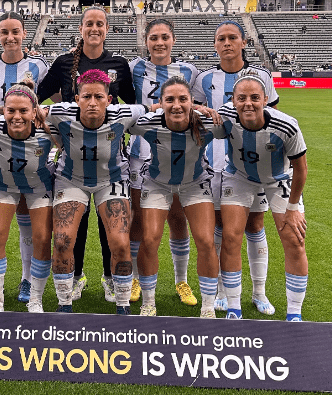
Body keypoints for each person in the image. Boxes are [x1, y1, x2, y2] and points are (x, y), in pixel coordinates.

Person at [37, 6, 136, 304]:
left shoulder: (118, 63)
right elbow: (40, 95)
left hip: (108, 155)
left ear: (107, 29)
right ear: (80, 28)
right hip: (73, 156)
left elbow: (132, 102)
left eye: (100, 24)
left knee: (113, 227)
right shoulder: (65, 62)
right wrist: (55, 117)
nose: (94, 28)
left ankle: (110, 279)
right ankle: (76, 276)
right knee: (72, 228)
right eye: (89, 23)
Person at [194, 21, 280, 317]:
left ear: (244, 42)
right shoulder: (204, 79)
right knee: (221, 227)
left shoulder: (262, 76)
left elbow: (273, 119)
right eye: (221, 39)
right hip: (213, 163)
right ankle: (221, 289)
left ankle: (259, 292)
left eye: (233, 38)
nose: (227, 43)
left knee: (255, 225)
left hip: (253, 165)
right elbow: (195, 116)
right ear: (215, 45)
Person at [45, 69, 147, 315]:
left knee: (121, 243)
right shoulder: (60, 113)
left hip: (110, 179)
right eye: (86, 96)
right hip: (71, 180)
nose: (92, 102)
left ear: (109, 99)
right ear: (76, 98)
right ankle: (64, 303)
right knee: (61, 241)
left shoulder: (125, 113)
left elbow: (155, 108)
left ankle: (123, 306)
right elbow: (24, 107)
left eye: (99, 97)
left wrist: (202, 110)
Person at [129, 18, 214, 307]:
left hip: (181, 152)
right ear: (146, 41)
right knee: (139, 222)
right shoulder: (133, 67)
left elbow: (196, 103)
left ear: (173, 40)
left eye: (165, 37)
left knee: (178, 219)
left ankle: (182, 280)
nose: (160, 43)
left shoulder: (189, 71)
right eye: (154, 38)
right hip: (143, 152)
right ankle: (137, 279)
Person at [215, 75, 308, 321]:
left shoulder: (287, 125)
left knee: (294, 240)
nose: (248, 103)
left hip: (278, 179)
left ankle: (294, 314)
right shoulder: (225, 116)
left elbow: (301, 169)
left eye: (255, 98)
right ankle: (234, 308)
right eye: (241, 98)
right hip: (239, 177)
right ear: (232, 101)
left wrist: (292, 207)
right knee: (231, 236)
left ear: (265, 99)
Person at [0, 11, 50, 304]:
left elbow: (51, 103)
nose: (10, 37)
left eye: (15, 32)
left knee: (27, 223)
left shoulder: (38, 65)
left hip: (31, 149)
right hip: (0, 149)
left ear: (24, 34)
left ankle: (27, 281)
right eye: (4, 32)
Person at [0, 82, 56, 313]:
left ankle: (36, 299)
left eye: (23, 111)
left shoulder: (49, 131)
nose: (17, 117)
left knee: (41, 238)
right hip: (3, 185)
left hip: (38, 186)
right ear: (4, 111)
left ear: (34, 112)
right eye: (11, 111)